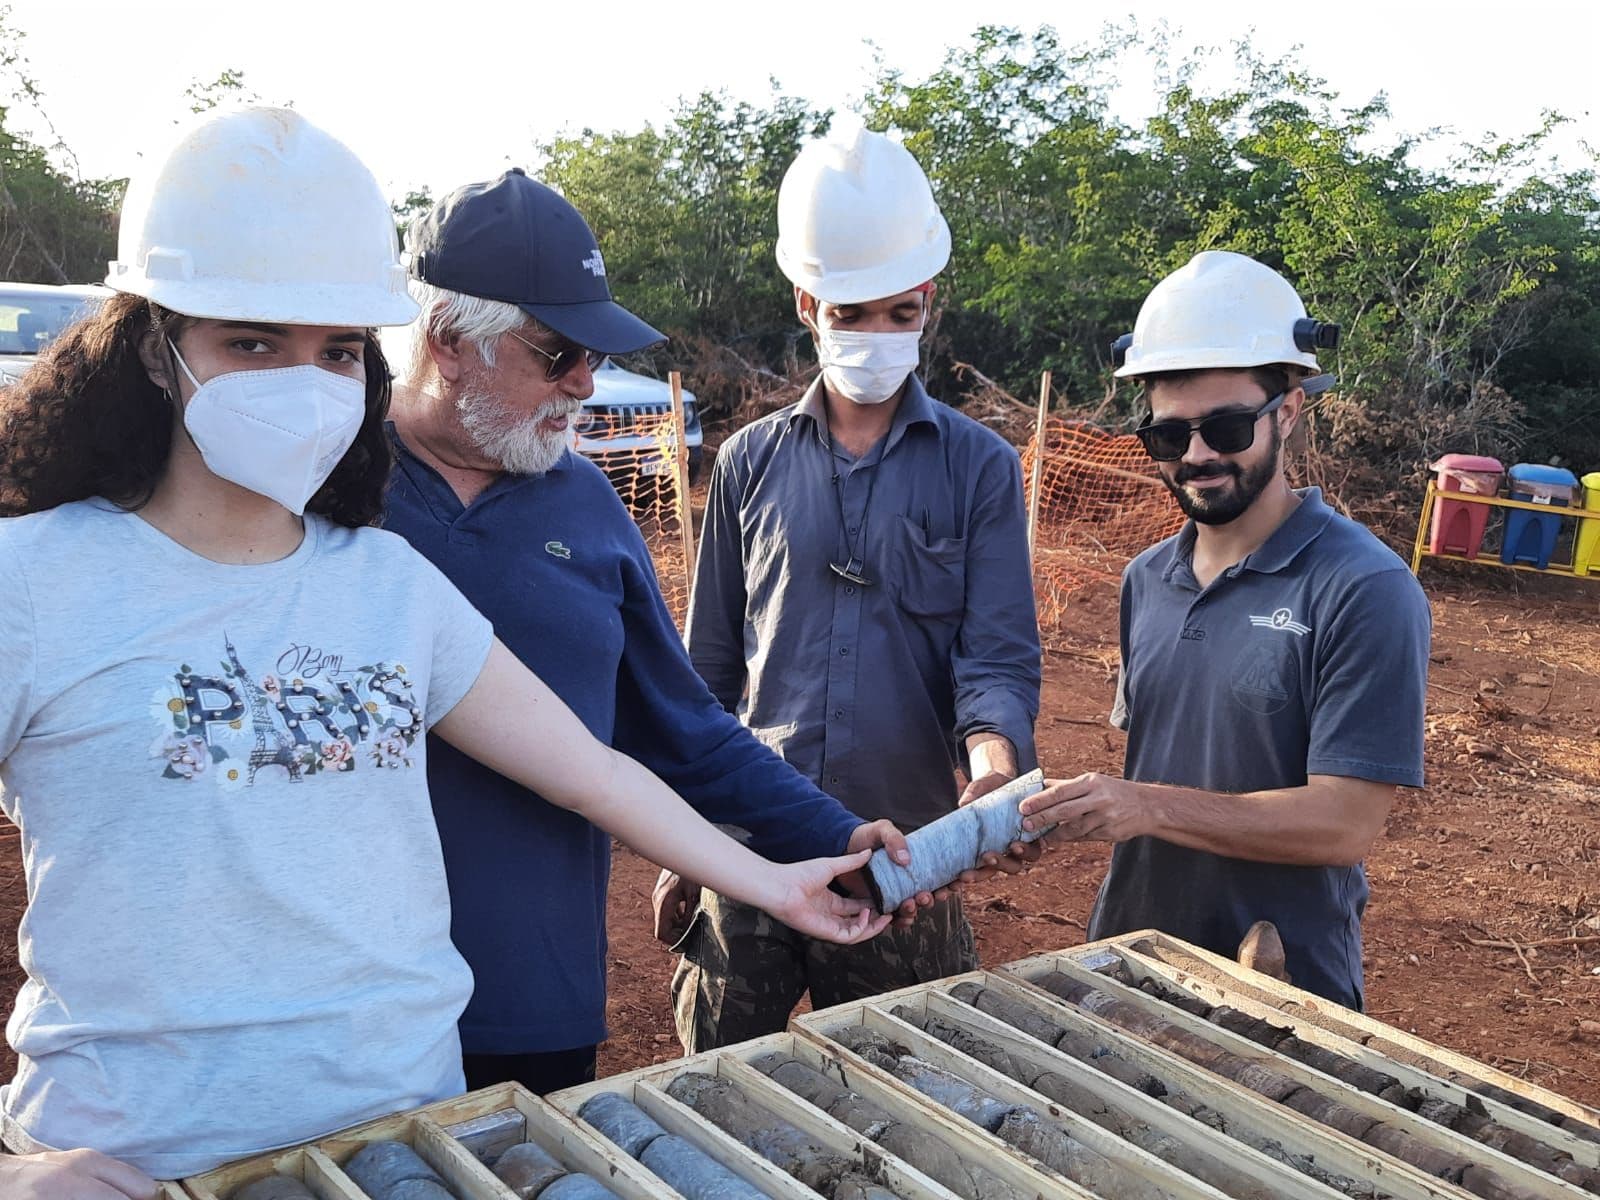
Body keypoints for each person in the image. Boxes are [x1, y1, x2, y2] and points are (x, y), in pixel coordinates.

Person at [0, 108, 892, 1196]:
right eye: (252, 342)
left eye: (336, 349)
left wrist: (781, 883)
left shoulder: (388, 581)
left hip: (412, 1140)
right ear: (154, 346)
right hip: (145, 1159)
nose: (305, 381)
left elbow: (593, 771)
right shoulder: (31, 581)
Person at [382, 169, 930, 1096]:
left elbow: (683, 728)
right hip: (352, 1003)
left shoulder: (586, 504)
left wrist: (837, 836)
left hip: (532, 986)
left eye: (594, 354)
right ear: (447, 340)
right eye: (559, 353)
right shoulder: (329, 490)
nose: (586, 383)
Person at [661, 126, 1043, 1052]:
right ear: (807, 304)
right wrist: (687, 838)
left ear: (928, 304)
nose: (876, 335)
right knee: (716, 1082)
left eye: (899, 312)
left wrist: (991, 774)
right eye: (850, 313)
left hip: (905, 856)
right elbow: (706, 674)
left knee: (905, 1078)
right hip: (751, 849)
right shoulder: (748, 463)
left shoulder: (979, 468)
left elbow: (994, 659)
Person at [1018, 250, 1431, 1010]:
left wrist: (1145, 805)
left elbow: (1344, 824)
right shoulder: (1147, 578)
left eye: (1228, 427)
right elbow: (1169, 760)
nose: (1199, 455)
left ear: (1290, 411)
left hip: (1282, 981)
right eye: (1170, 436)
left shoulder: (1364, 586)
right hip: (1133, 956)